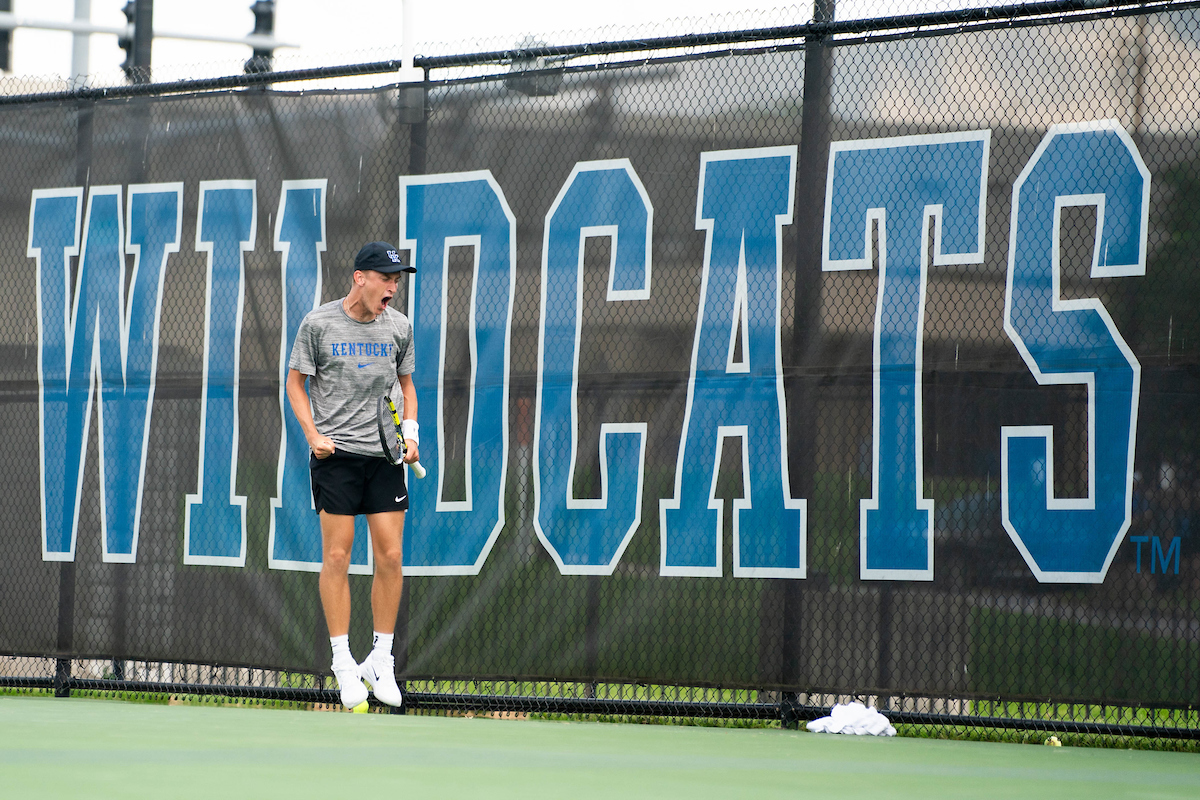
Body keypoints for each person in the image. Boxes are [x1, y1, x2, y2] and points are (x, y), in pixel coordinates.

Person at [285, 241, 420, 709]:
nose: (393, 288)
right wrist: (312, 434)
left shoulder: (399, 327)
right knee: (338, 556)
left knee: (391, 556)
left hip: (385, 456)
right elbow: (295, 383)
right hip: (336, 456)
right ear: (360, 277)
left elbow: (406, 385)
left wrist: (411, 433)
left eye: (397, 280)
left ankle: (381, 658)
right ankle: (343, 661)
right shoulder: (318, 323)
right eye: (386, 278)